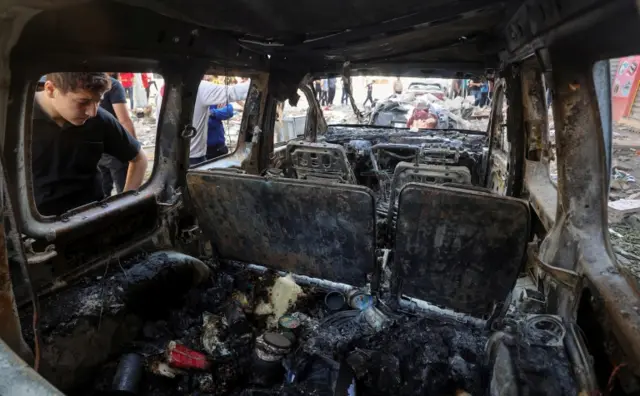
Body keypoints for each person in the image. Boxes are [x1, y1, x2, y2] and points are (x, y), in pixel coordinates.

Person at [32, 72, 148, 216]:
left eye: (98, 101)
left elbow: (139, 159)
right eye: (83, 102)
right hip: (37, 223)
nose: (92, 112)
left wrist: (125, 205)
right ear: (50, 89)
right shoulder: (12, 121)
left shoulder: (99, 119)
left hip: (92, 216)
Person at [189, 78, 249, 166]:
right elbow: (234, 92)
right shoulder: (201, 88)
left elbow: (229, 110)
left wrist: (212, 113)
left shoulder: (208, 93)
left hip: (217, 148)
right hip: (199, 154)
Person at [97, 73, 137, 196]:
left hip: (95, 146)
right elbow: (124, 120)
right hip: (114, 148)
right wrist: (134, 149)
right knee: (125, 190)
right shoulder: (113, 85)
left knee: (102, 191)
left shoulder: (81, 83)